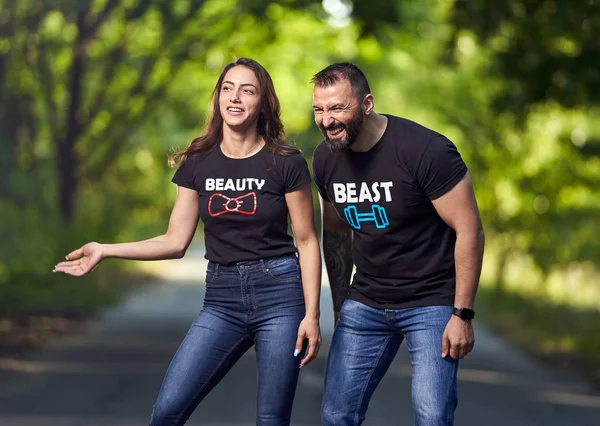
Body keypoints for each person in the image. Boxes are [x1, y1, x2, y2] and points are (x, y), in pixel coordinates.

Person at [53, 57, 322, 426]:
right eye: (228, 88)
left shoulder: (286, 162)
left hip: (279, 294)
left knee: (271, 420)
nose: (236, 97)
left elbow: (306, 241)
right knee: (166, 412)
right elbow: (175, 241)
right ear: (217, 98)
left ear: (263, 102)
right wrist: (106, 249)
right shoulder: (198, 162)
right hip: (222, 299)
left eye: (248, 90)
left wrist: (312, 315)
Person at [310, 62, 485, 426]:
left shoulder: (425, 150)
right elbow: (337, 232)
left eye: (338, 108)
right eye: (319, 110)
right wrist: (340, 305)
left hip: (431, 301)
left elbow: (469, 230)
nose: (327, 121)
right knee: (335, 414)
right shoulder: (326, 158)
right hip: (367, 300)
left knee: (432, 415)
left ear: (367, 103)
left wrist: (462, 314)